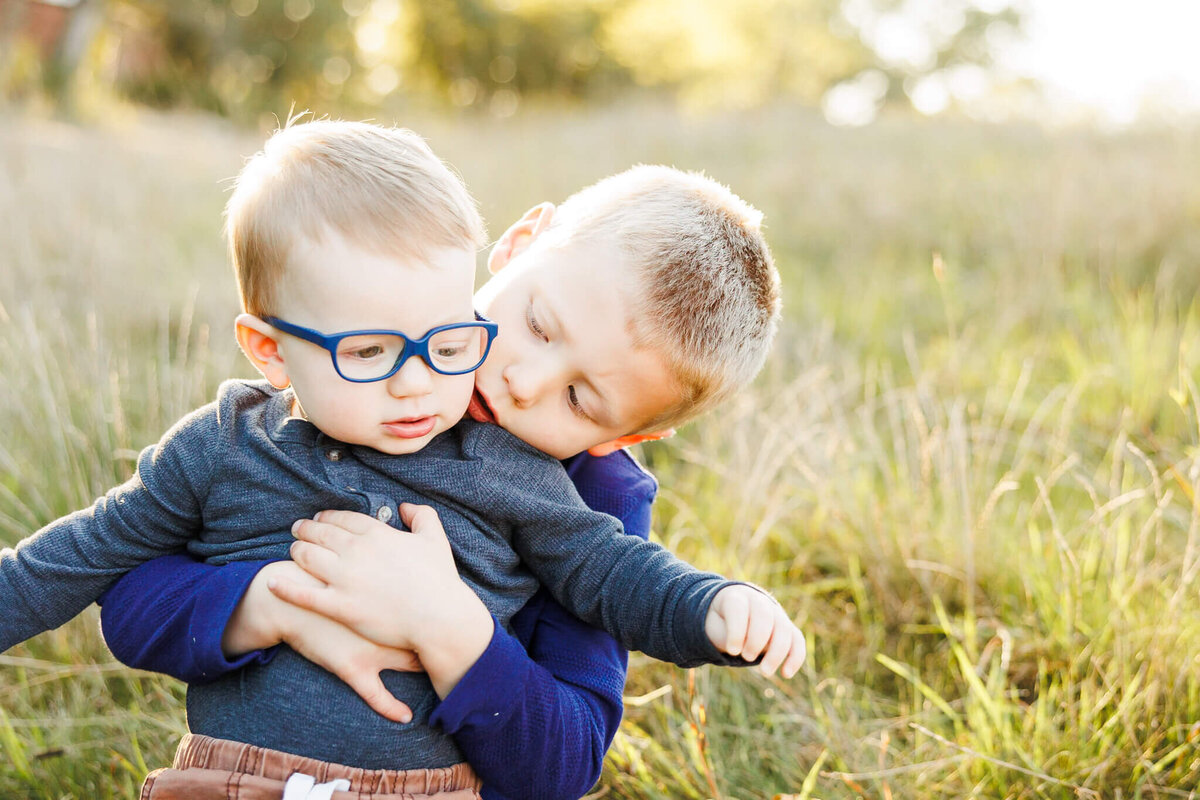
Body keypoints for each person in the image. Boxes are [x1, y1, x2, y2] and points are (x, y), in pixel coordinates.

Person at [0, 120, 803, 798]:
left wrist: (445, 621)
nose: (519, 381)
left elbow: (610, 610)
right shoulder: (273, 416)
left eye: (581, 402)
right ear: (516, 245)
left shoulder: (556, 490)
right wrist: (264, 603)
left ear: (622, 438)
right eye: (537, 325)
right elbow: (104, 573)